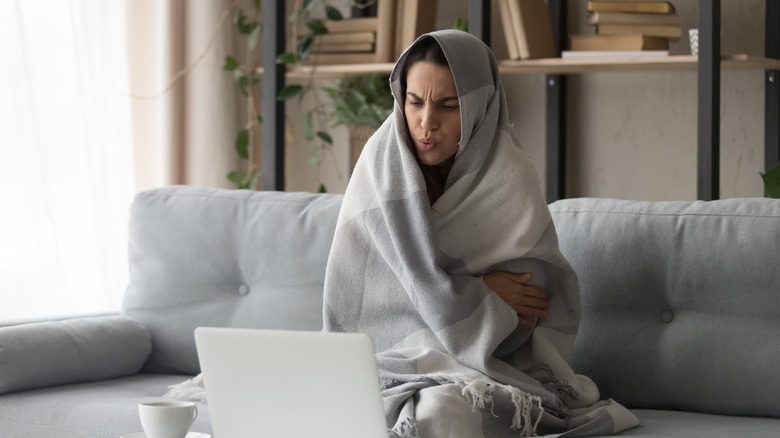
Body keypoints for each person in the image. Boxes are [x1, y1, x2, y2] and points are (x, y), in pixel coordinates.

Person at [323, 30, 638, 438]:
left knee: (444, 408)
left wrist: (458, 300)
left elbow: (531, 301)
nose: (426, 122)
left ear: (478, 109)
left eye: (448, 106)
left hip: (482, 365)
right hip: (385, 358)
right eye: (414, 102)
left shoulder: (507, 175)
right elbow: (365, 297)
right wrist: (480, 292)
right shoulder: (380, 166)